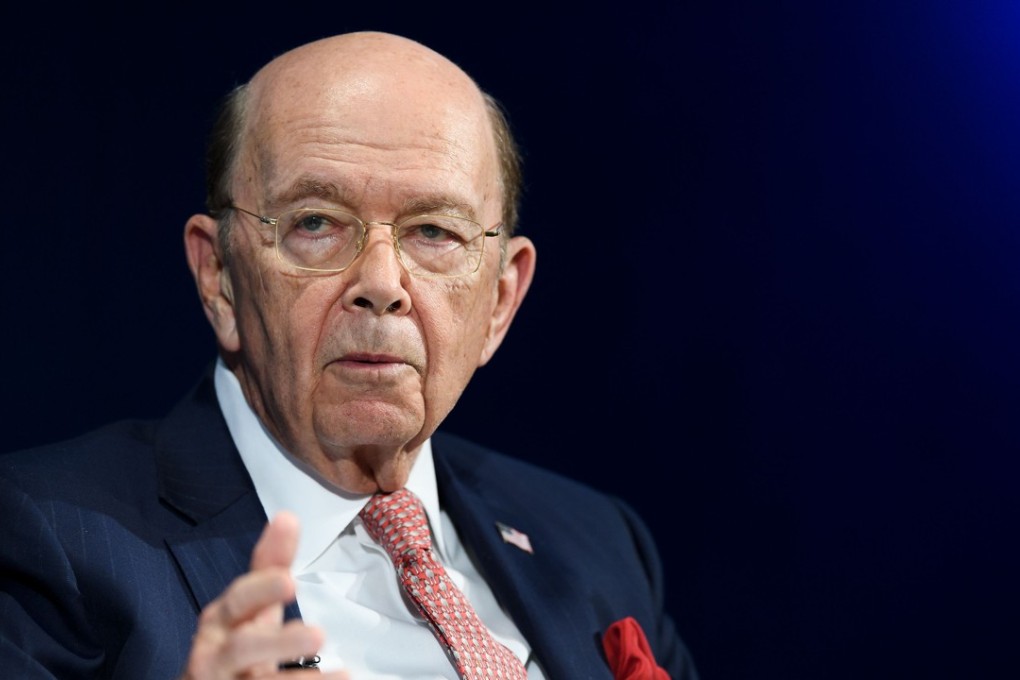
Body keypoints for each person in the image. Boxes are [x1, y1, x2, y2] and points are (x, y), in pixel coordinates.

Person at [0, 31, 699, 679]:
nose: (381, 284)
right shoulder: (47, 543)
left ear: (499, 301)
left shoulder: (598, 543)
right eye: (316, 224)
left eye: (433, 232)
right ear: (219, 277)